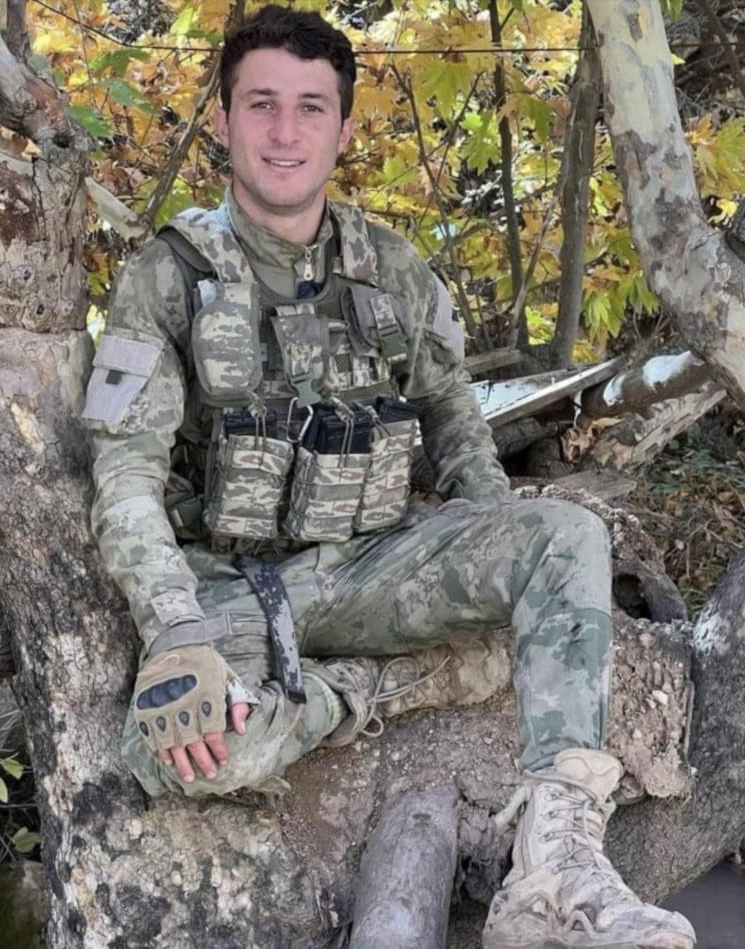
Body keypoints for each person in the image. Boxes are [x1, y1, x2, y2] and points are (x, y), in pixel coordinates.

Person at [82, 7, 696, 947]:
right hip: (228, 588)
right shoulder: (166, 278)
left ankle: (556, 865)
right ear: (224, 119)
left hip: (374, 566)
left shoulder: (393, 270)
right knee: (192, 749)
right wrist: (175, 630)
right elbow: (125, 473)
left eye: (311, 108)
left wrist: (496, 559)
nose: (285, 133)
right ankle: (362, 693)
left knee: (566, 534)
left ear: (343, 129)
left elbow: (454, 421)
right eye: (261, 105)